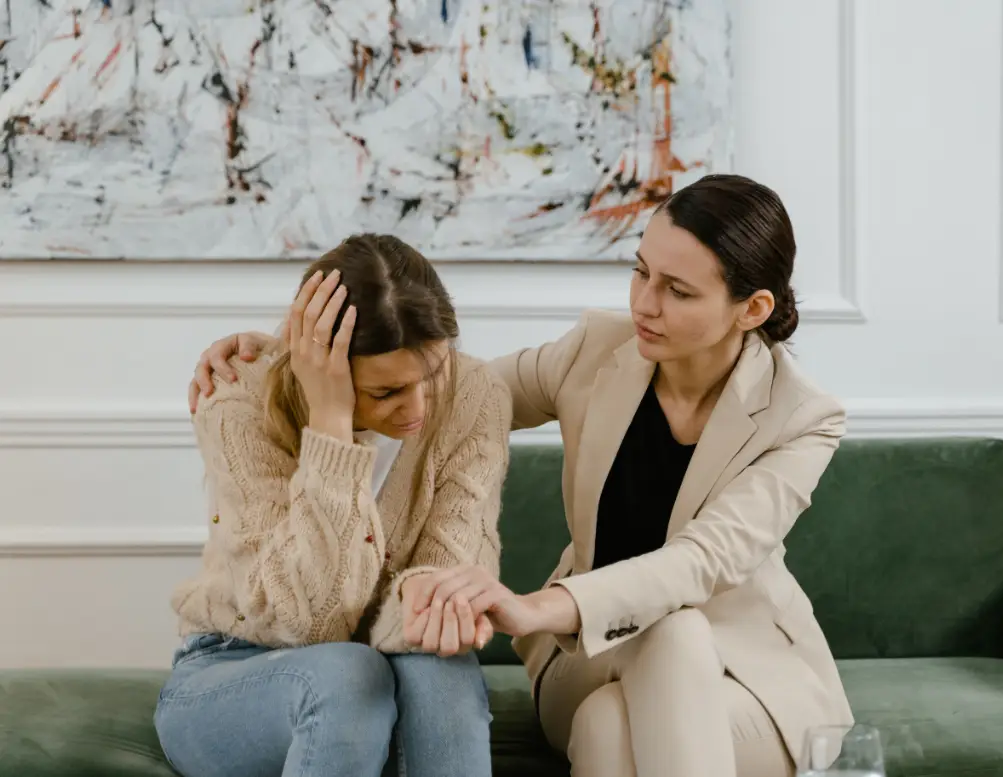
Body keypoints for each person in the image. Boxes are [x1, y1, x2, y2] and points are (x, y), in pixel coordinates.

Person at [188, 174, 852, 777]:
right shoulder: (599, 352)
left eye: (677, 291)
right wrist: (295, 357)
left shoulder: (803, 418)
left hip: (745, 680)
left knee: (639, 682)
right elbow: (442, 389)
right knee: (632, 679)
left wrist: (534, 608)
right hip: (589, 659)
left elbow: (699, 562)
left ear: (752, 308)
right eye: (640, 272)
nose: (645, 304)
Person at [159, 234, 509, 777]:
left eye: (433, 376)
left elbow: (442, 604)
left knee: (442, 670)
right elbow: (307, 622)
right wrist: (330, 424)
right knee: (348, 674)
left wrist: (430, 602)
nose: (417, 409)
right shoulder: (237, 399)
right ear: (322, 367)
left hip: (384, 665)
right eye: (386, 393)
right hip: (235, 667)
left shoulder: (475, 394)